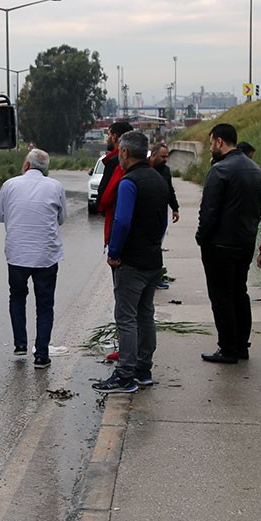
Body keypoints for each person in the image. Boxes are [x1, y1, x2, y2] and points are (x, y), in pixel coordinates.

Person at [92, 131, 169, 393]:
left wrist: (114, 252)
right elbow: (163, 222)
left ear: (124, 152)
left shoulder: (129, 182)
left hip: (131, 263)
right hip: (152, 259)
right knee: (146, 314)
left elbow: (121, 221)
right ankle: (143, 369)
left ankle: (125, 375)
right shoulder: (158, 180)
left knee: (126, 318)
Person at [196, 123, 261, 364]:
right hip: (244, 242)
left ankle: (227, 347)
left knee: (221, 297)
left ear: (220, 141)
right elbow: (258, 208)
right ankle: (241, 345)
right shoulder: (254, 169)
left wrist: (201, 237)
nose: (211, 146)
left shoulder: (220, 170)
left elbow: (209, 211)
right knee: (239, 293)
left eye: (212, 142)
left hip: (220, 245)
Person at [0, 148, 67, 368]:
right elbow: (61, 219)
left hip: (17, 254)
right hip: (46, 255)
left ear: (26, 165)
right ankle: (42, 355)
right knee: (45, 305)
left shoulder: (10, 185)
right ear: (45, 169)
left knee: (17, 297)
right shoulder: (55, 187)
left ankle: (20, 344)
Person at [96, 120, 134, 245]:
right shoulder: (140, 161)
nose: (107, 139)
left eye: (108, 135)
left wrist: (100, 206)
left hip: (116, 222)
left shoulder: (114, 161)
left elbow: (105, 195)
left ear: (115, 137)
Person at [149, 142, 179, 290]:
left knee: (157, 246)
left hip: (162, 214)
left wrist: (175, 208)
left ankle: (157, 277)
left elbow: (170, 190)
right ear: (153, 155)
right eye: (163, 156)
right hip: (147, 214)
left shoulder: (166, 171)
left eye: (167, 156)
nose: (165, 159)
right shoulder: (145, 170)